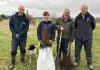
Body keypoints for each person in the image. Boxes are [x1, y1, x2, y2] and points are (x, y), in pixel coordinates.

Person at [74, 4, 96, 70]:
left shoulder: (91, 17)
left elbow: (93, 26)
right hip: (78, 37)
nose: (83, 11)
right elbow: (75, 26)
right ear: (80, 9)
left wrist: (87, 31)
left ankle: (89, 64)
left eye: (85, 9)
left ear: (87, 9)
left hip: (88, 38)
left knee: (88, 51)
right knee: (77, 50)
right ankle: (76, 61)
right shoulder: (77, 17)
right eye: (82, 9)